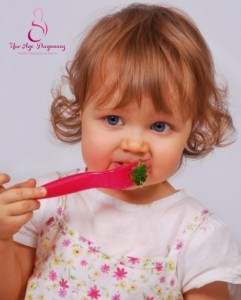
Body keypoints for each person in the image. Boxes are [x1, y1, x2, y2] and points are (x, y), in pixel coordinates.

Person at [0, 3, 240, 299]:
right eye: (113, 119)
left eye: (160, 126)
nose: (135, 145)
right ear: (81, 112)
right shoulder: (50, 204)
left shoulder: (198, 237)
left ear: (192, 129)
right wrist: (3, 238)